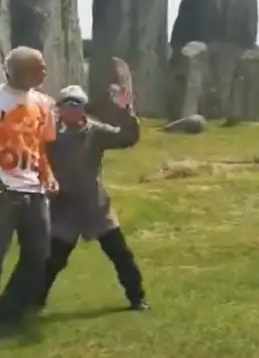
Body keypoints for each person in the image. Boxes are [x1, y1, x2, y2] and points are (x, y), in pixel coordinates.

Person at [37, 84, 148, 311]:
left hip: (96, 207)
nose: (71, 108)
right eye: (66, 103)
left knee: (120, 255)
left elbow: (126, 138)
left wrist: (125, 111)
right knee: (53, 260)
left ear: (83, 108)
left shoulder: (95, 131)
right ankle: (34, 302)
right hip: (63, 207)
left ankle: (137, 298)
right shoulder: (49, 133)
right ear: (59, 108)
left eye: (76, 103)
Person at [0, 47, 59, 324]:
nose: (44, 71)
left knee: (38, 255)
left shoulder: (45, 103)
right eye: (39, 67)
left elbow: (41, 146)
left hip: (33, 191)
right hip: (3, 191)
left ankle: (9, 311)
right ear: (16, 69)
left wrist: (48, 175)